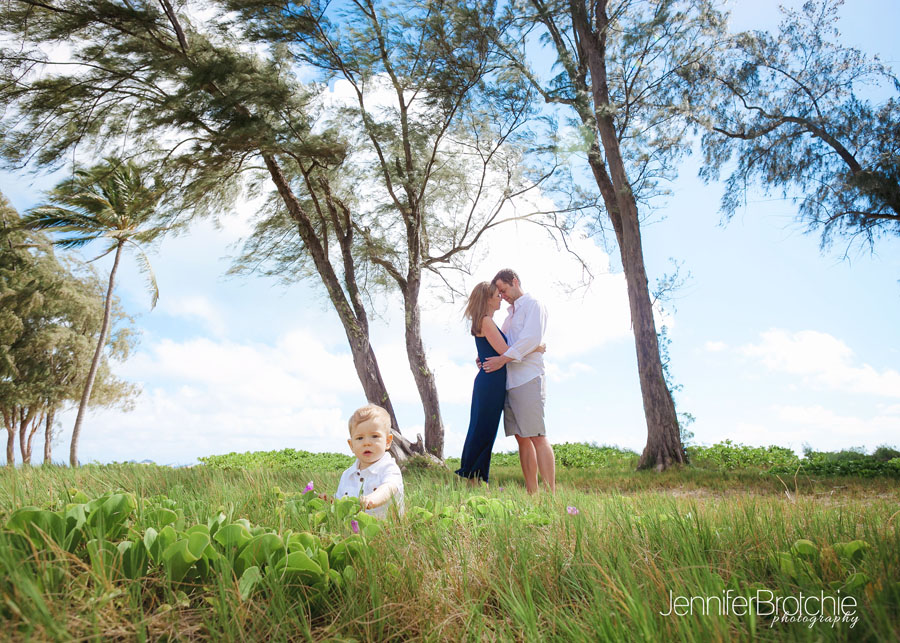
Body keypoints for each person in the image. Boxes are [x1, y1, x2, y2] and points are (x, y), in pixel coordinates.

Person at [457, 282, 546, 485]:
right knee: (484, 429)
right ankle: (474, 477)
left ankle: (475, 478)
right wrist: (536, 347)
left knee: (483, 428)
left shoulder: (484, 321)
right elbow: (505, 350)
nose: (501, 298)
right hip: (490, 383)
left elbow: (495, 351)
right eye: (497, 295)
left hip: (492, 381)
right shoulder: (486, 321)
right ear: (488, 298)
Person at [482, 269, 556, 494]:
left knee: (537, 436)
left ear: (514, 282)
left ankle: (551, 494)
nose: (502, 296)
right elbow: (502, 341)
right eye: (499, 293)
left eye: (503, 290)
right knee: (522, 439)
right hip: (509, 381)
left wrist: (503, 359)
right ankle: (532, 494)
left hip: (528, 378)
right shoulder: (508, 317)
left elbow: (531, 339)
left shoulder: (534, 305)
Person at [335, 404, 405, 518]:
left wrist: (372, 499)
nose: (367, 442)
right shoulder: (347, 475)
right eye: (360, 438)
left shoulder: (389, 468)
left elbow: (389, 487)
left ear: (387, 441)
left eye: (375, 436)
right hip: (354, 531)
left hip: (387, 531)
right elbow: (340, 503)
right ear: (351, 445)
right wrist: (330, 501)